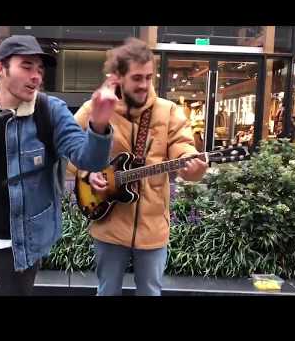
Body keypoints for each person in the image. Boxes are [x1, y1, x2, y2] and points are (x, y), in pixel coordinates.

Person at [0, 35, 115, 295]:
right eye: (27, 66)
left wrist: (98, 125)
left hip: (21, 245)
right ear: (1, 68)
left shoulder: (50, 111)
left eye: (40, 70)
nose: (36, 76)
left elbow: (88, 158)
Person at [69, 38, 208, 296]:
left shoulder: (168, 112)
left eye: (148, 77)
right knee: (107, 291)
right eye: (136, 78)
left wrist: (194, 166)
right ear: (118, 77)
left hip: (153, 228)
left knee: (150, 292)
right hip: (108, 224)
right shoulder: (95, 109)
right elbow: (70, 153)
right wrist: (87, 172)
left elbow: (183, 148)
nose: (144, 85)